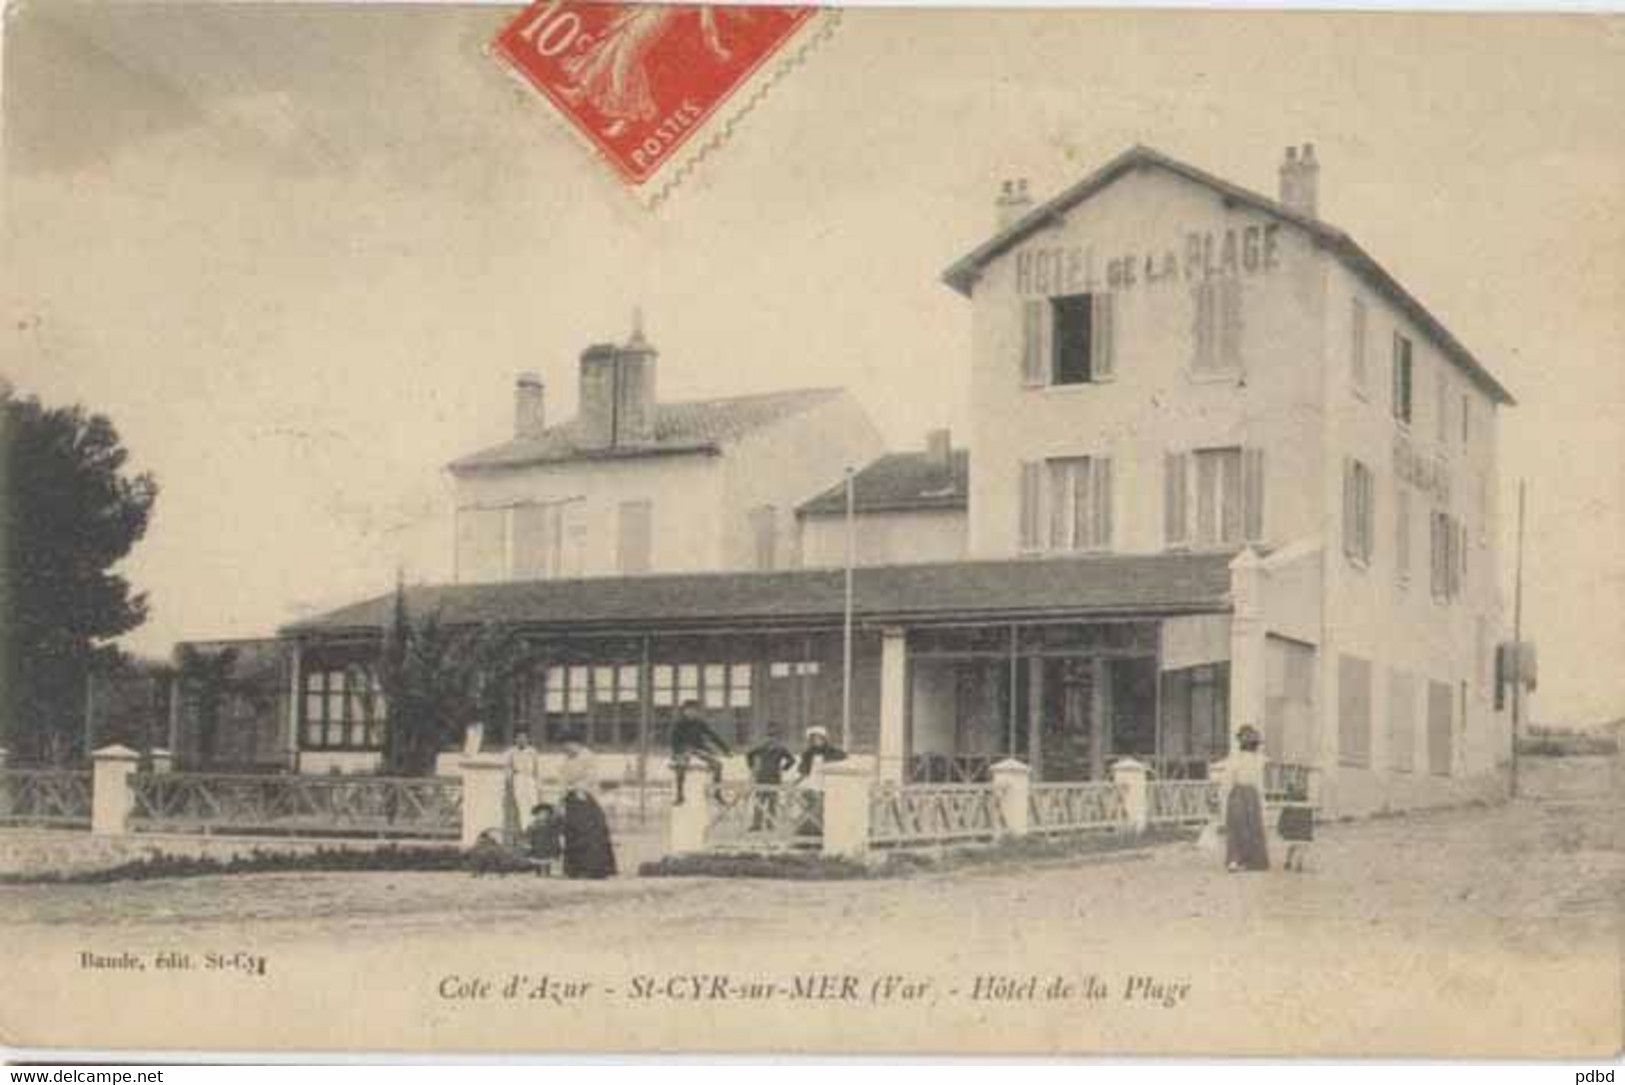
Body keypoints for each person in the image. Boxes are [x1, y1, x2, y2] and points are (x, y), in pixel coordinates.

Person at [558, 737, 617, 879]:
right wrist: (563, 796)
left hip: (587, 797)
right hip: (572, 798)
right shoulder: (566, 760)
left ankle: (594, 868)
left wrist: (580, 789)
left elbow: (591, 777)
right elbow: (563, 779)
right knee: (572, 832)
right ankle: (575, 869)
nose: (566, 751)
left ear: (575, 744)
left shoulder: (588, 757)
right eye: (564, 749)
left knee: (590, 832)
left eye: (568, 747)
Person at [1215, 725, 1270, 872]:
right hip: (1252, 795)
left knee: (1236, 826)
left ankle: (1235, 860)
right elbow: (1260, 784)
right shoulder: (1259, 761)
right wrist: (1263, 803)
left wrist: (1223, 798)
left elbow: (1227, 781)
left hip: (1238, 793)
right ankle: (1252, 861)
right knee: (1252, 827)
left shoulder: (1235, 760)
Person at [669, 699, 732, 805]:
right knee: (680, 766)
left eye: (694, 710)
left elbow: (713, 736)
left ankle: (717, 794)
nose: (692, 713)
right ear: (684, 711)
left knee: (718, 765)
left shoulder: (700, 723)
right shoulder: (678, 724)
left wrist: (726, 749)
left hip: (699, 748)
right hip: (684, 749)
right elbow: (673, 741)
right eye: (689, 710)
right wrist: (677, 754)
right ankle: (680, 796)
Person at [745, 723, 797, 831]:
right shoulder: (764, 747)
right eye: (770, 736)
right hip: (764, 777)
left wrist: (783, 768)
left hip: (772, 777)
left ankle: (768, 824)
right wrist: (752, 767)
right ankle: (758, 824)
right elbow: (749, 754)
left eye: (773, 737)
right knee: (761, 801)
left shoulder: (779, 748)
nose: (771, 739)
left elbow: (792, 760)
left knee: (771, 802)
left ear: (777, 738)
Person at [505, 731, 541, 844]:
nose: (521, 740)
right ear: (515, 740)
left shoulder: (532, 751)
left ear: (527, 740)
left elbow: (537, 768)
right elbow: (508, 768)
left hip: (530, 779)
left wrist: (538, 784)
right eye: (519, 738)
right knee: (522, 807)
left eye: (524, 738)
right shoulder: (511, 752)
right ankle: (525, 832)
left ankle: (536, 831)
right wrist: (509, 782)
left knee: (534, 804)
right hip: (518, 778)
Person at [524, 802, 564, 877]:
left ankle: (546, 873)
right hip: (536, 846)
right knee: (536, 861)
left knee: (547, 860)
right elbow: (528, 835)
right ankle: (538, 872)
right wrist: (528, 843)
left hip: (547, 846)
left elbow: (554, 835)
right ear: (537, 815)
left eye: (546, 814)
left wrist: (556, 844)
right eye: (541, 814)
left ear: (549, 815)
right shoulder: (533, 825)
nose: (544, 816)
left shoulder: (551, 825)